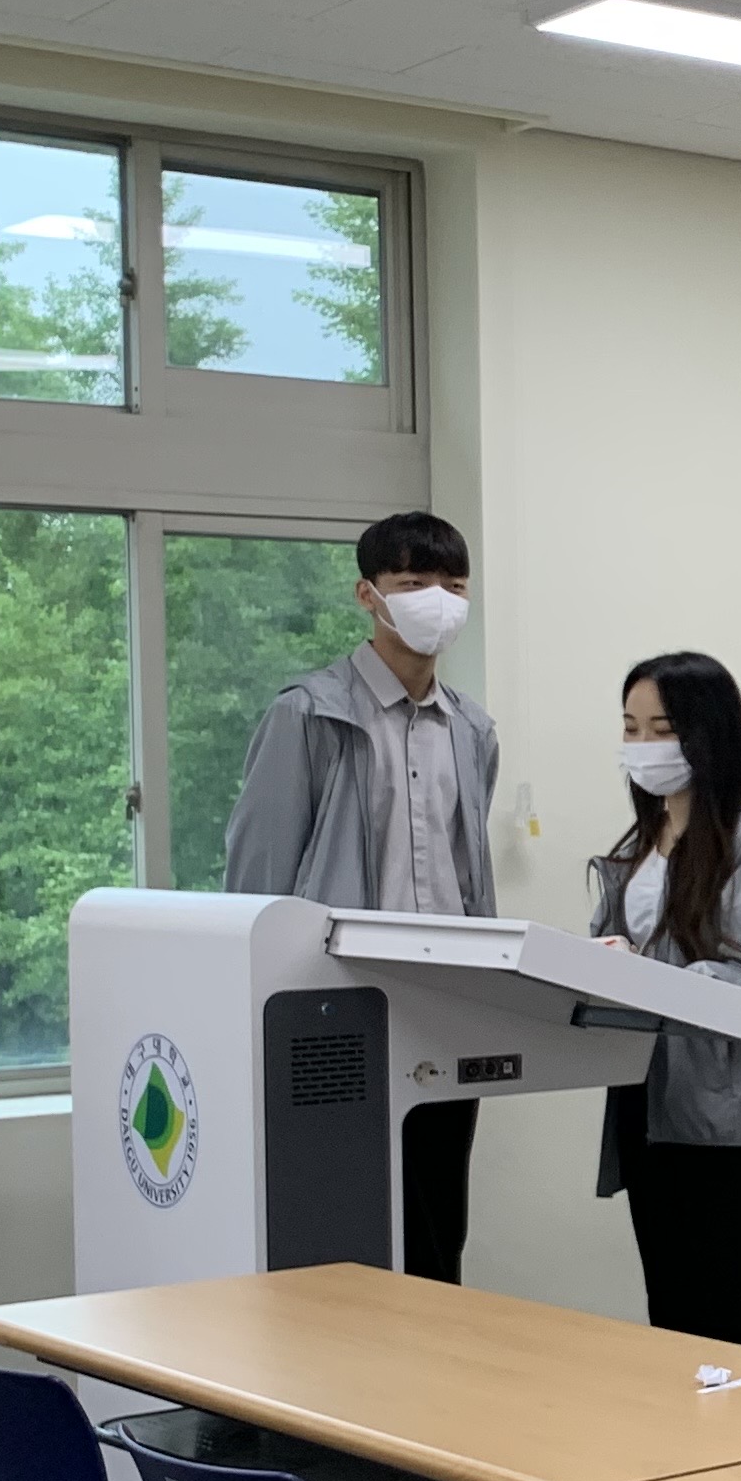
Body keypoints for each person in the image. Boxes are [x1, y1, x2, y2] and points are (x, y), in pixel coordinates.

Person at [222, 509, 497, 1281]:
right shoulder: (309, 713)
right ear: (368, 595)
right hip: (336, 1011)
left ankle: (432, 1363)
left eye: (453, 586)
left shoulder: (472, 730)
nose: (436, 600)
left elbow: (472, 876)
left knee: (437, 1231)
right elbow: (258, 877)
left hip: (447, 1006)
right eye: (413, 582)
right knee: (348, 1227)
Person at [589, 653, 741, 1363]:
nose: (643, 745)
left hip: (719, 1099)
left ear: (707, 735)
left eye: (663, 729)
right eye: (631, 727)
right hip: (644, 1090)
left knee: (734, 1300)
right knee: (674, 1305)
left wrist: (647, 973)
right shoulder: (642, 840)